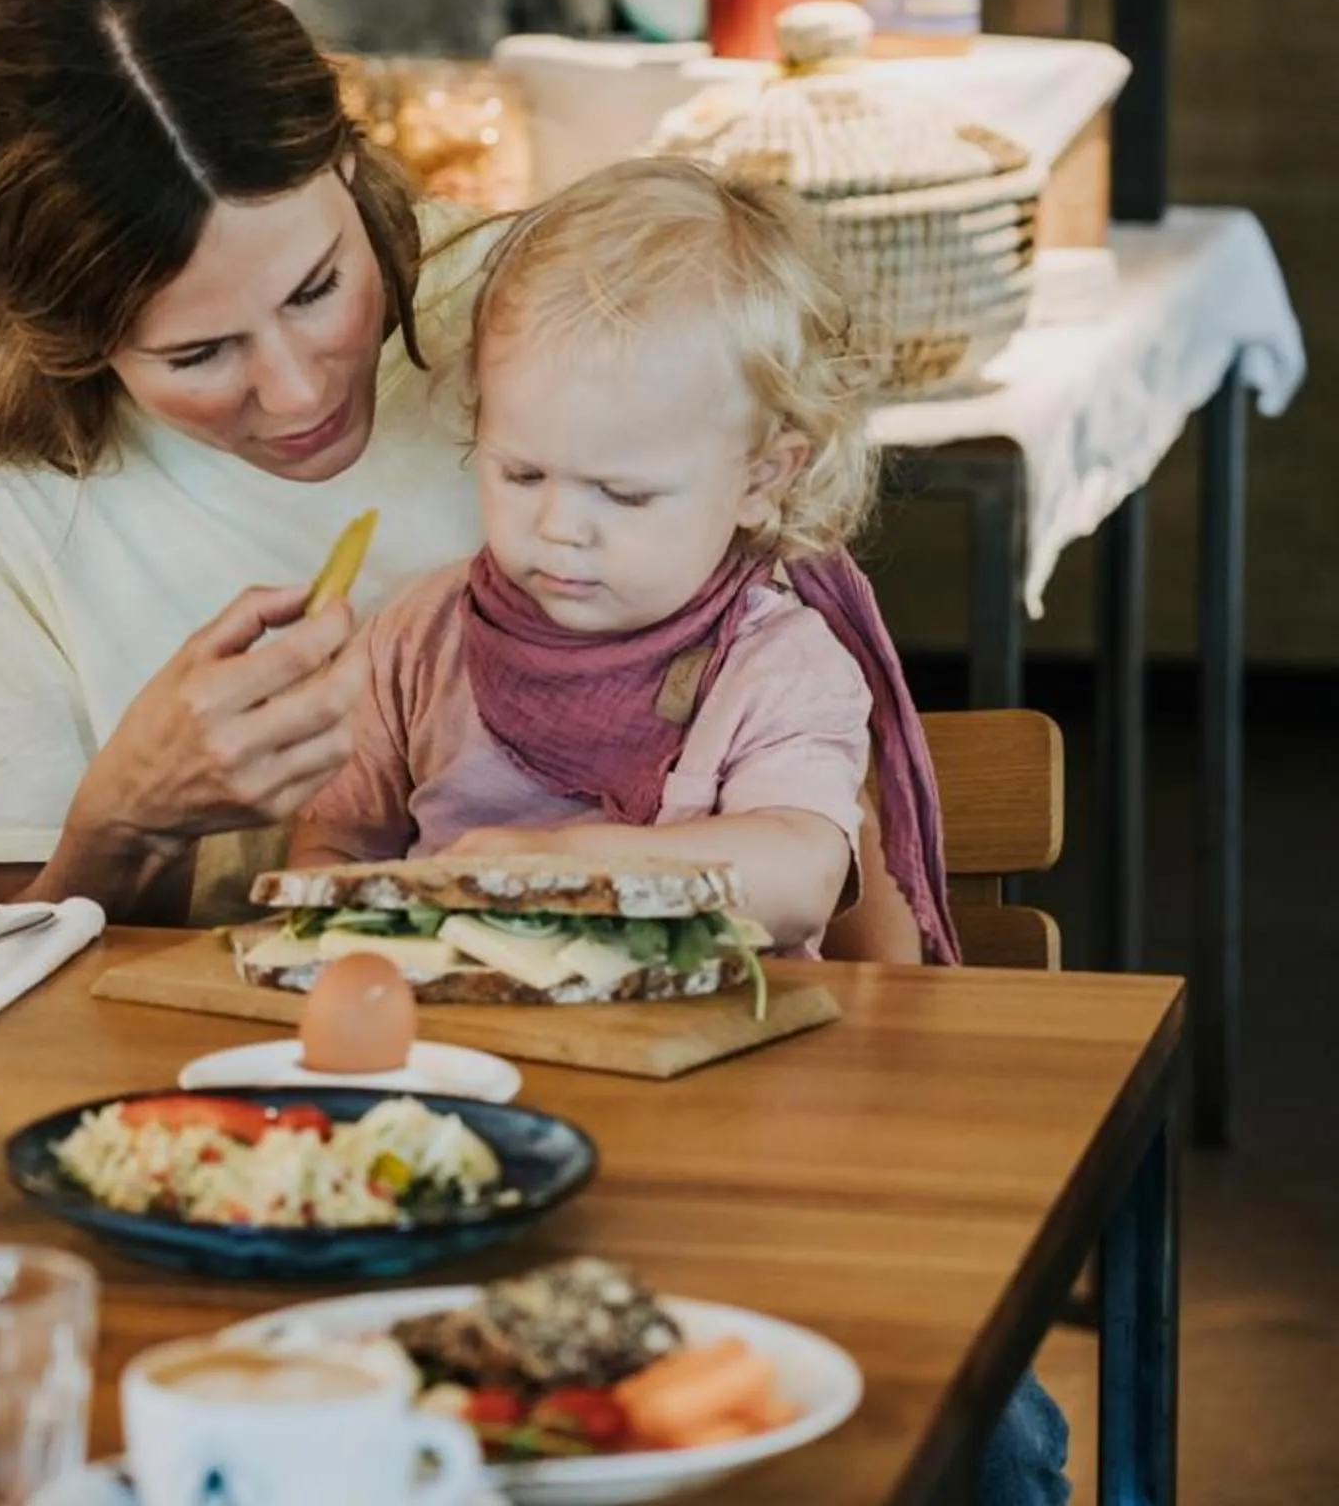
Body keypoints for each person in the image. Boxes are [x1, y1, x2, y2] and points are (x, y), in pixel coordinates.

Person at [0, 0, 491, 924]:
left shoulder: (528, 319)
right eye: (200, 355)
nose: (294, 391)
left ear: (346, 155)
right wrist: (126, 819)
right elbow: (15, 971)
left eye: (319, 286)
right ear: (74, 344)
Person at [282, 160, 948, 961]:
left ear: (761, 479)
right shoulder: (417, 640)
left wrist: (559, 866)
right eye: (522, 474)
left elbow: (799, 878)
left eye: (624, 496)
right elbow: (336, 846)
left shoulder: (778, 666)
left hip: (710, 1067)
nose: (561, 527)